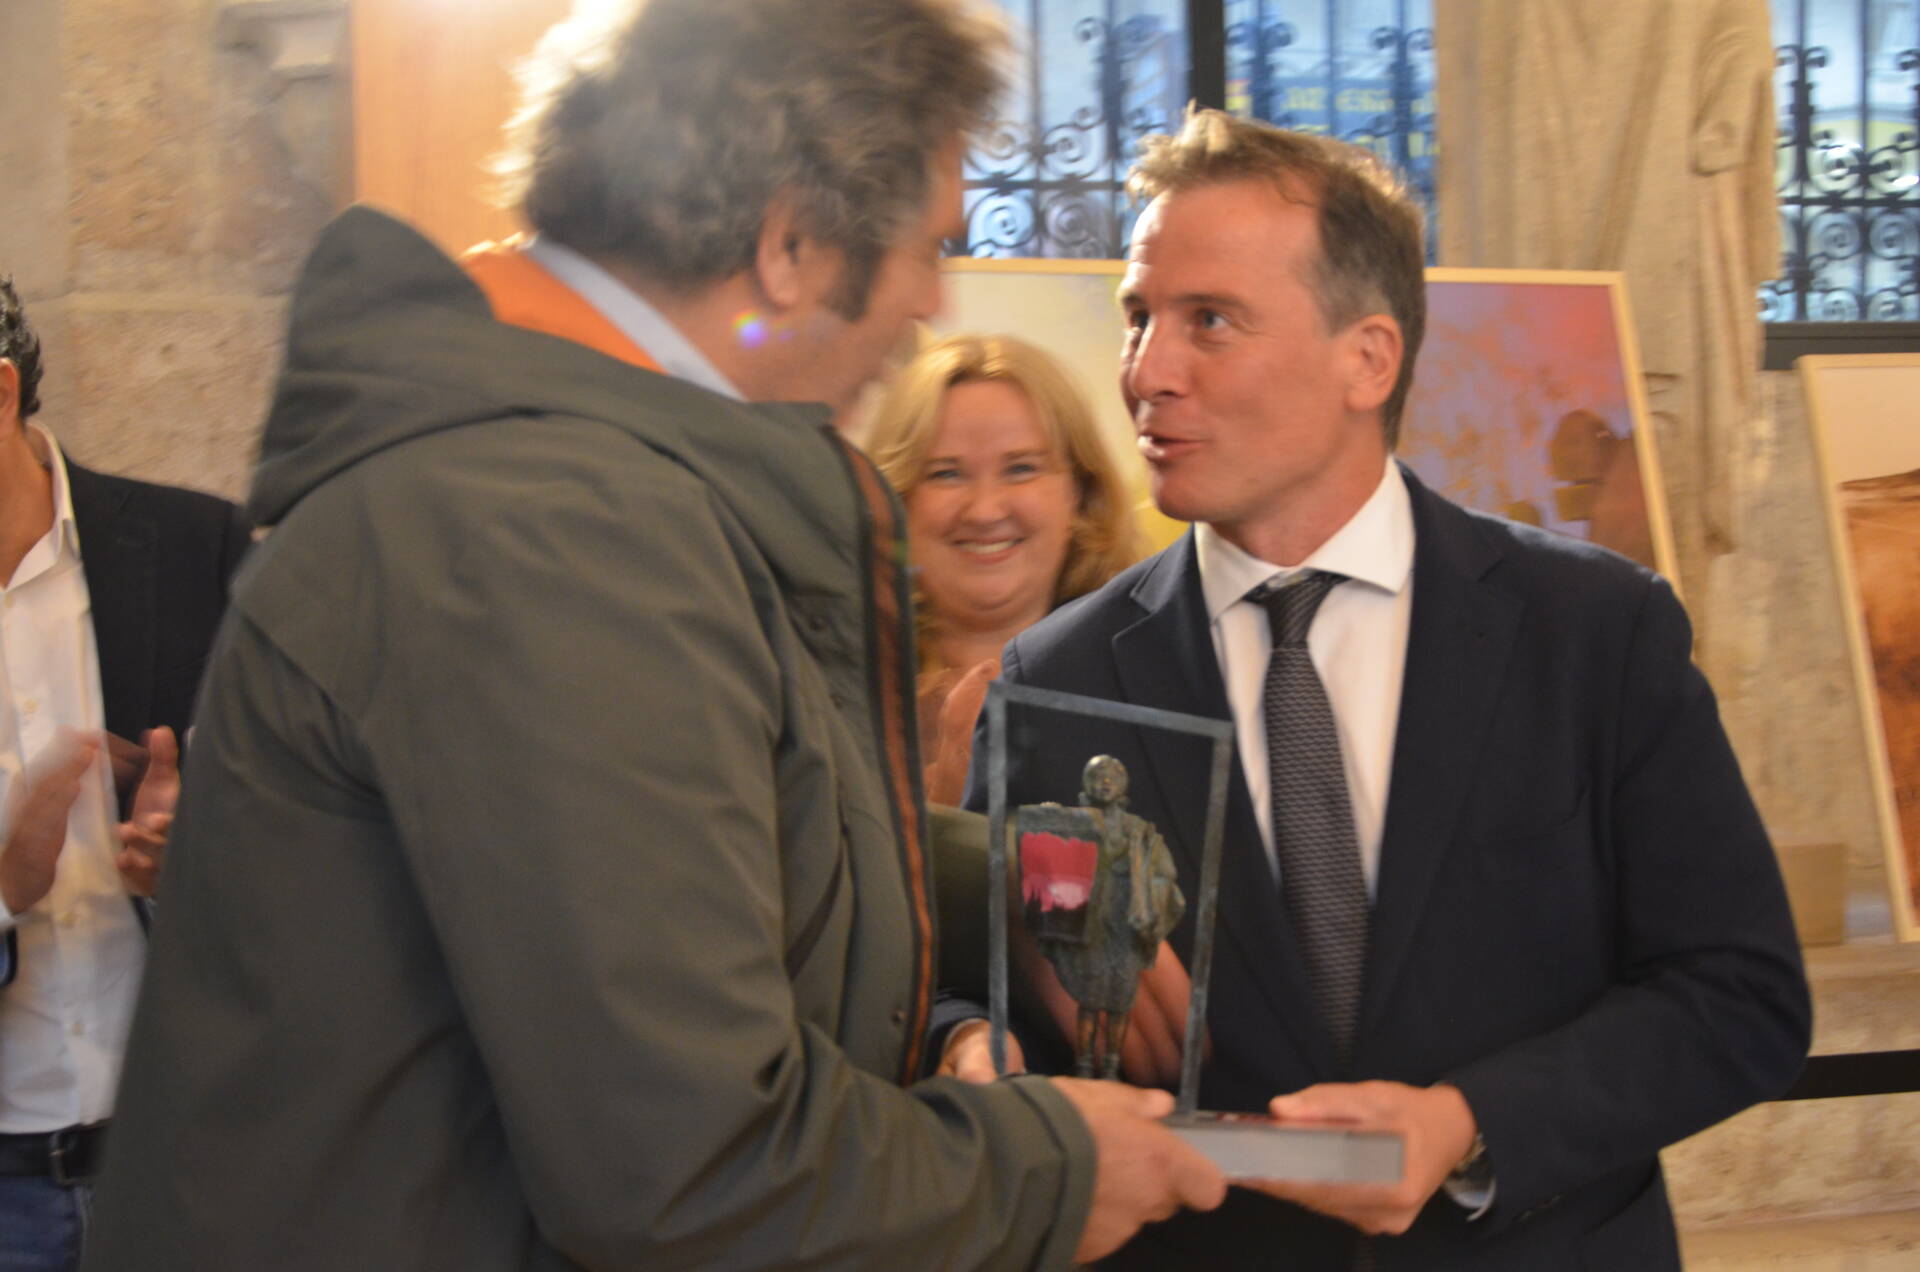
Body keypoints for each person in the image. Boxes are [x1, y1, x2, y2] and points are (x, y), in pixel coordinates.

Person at [80, 4, 1224, 1270]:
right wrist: (1051, 1170)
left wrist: (1012, 879)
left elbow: (685, 845)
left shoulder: (572, 483)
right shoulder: (550, 523)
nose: (928, 299)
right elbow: (690, 1167)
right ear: (789, 244)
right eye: (924, 244)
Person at [966, 109, 1811, 1270]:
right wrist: (984, 1043)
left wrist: (1466, 1124)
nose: (1147, 371)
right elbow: (970, 1003)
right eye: (1138, 317)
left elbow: (1741, 995)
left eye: (1209, 321)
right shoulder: (1058, 680)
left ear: (1368, 358)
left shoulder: (1596, 633)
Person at [0, 274, 247, 1270]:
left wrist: (202, 861)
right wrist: (4, 892)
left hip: (194, 1167)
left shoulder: (199, 550)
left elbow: (341, 847)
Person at [867, 333, 1141, 803]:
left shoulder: (1155, 681)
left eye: (1021, 469)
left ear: (1080, 494)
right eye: (946, 473)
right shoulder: (827, 697)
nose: (985, 511)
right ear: (894, 502)